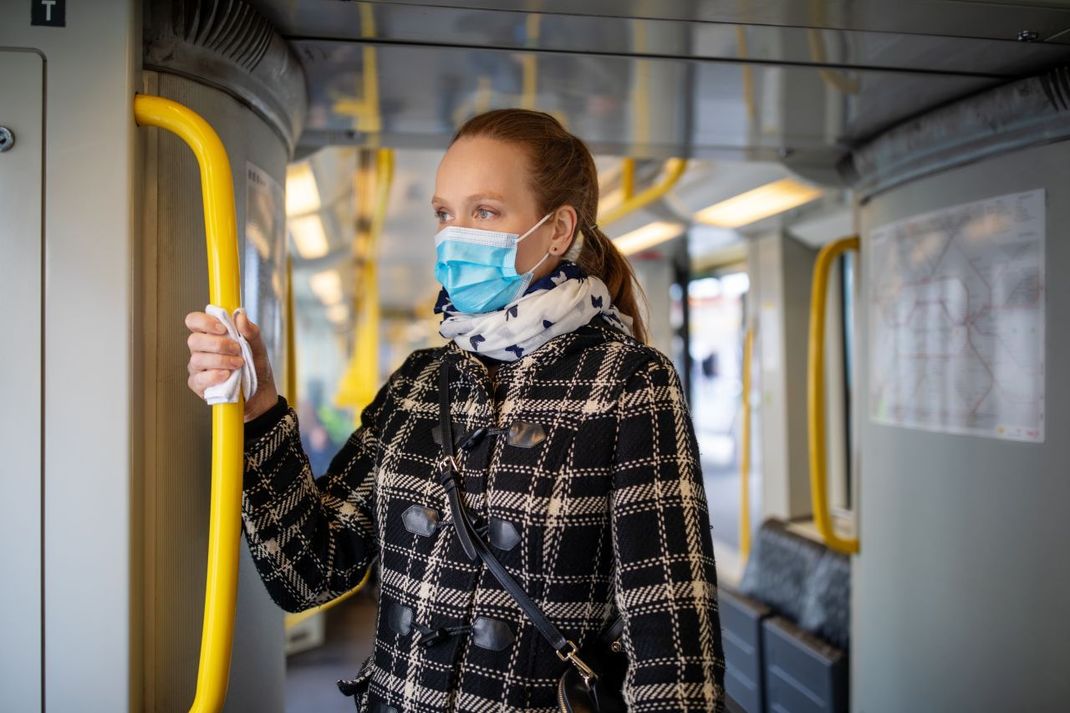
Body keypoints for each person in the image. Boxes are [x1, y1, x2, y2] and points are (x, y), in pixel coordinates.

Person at [185, 109, 725, 712]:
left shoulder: (629, 384)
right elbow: (309, 571)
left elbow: (675, 661)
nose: (454, 235)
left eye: (485, 212)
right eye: (444, 213)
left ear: (557, 230)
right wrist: (259, 408)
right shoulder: (421, 381)